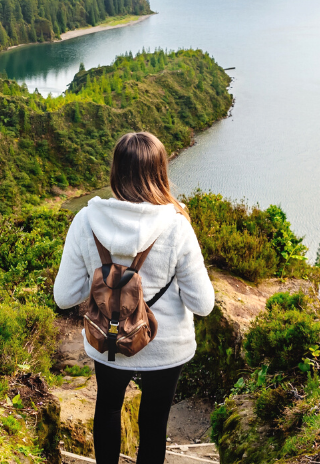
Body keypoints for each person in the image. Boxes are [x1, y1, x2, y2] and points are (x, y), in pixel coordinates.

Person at [54, 132, 215, 464]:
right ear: (160, 171)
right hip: (165, 344)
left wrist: (103, 284)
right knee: (154, 424)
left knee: (108, 407)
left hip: (108, 338)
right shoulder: (177, 225)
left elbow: (65, 296)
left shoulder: (85, 221)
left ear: (116, 170)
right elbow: (202, 304)